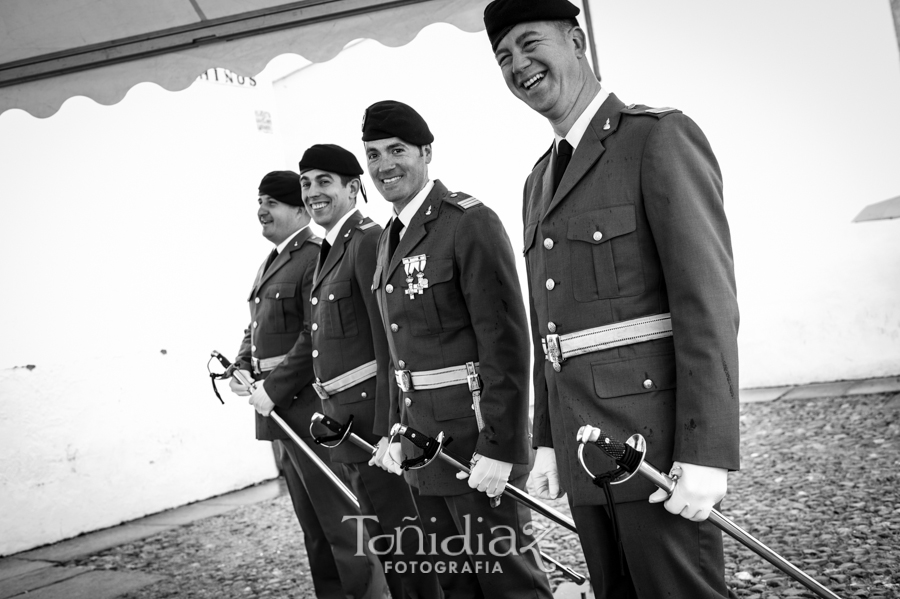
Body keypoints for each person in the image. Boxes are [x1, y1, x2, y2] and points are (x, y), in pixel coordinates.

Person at [484, 1, 741, 597]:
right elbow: (549, 326)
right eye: (503, 57)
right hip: (584, 453)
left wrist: (707, 450)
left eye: (529, 44)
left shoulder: (657, 138)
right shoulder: (536, 181)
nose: (518, 65)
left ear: (576, 40)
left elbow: (707, 303)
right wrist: (544, 439)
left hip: (653, 450)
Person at [363, 100, 553, 599]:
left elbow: (506, 341)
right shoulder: (389, 237)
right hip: (422, 443)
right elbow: (395, 351)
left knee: (511, 581)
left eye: (398, 150)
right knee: (456, 583)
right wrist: (391, 433)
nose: (385, 165)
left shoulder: (467, 222)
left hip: (472, 441)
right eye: (374, 154)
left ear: (426, 152)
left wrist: (502, 446)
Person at [228, 170, 387, 599]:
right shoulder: (273, 261)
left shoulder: (315, 254)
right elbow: (256, 326)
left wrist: (273, 388)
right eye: (259, 202)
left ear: (300, 211)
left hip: (308, 410)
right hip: (279, 412)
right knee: (314, 529)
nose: (261, 211)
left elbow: (310, 334)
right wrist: (242, 365)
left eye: (271, 203)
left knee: (342, 525)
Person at [297, 143, 443, 599]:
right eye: (305, 183)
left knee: (408, 548)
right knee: (387, 542)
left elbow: (388, 346)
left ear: (353, 187)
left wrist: (388, 429)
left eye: (324, 181)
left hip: (371, 426)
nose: (312, 192)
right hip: (348, 427)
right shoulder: (330, 247)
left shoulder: (365, 242)